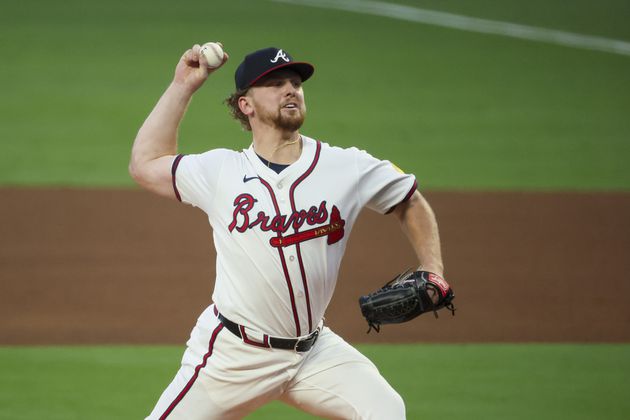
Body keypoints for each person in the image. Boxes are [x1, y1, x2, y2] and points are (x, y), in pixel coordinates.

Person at [130, 43, 445, 420]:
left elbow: (409, 199)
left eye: (295, 82)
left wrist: (433, 268)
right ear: (245, 105)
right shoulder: (220, 172)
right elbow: (145, 164)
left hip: (313, 353)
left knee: (386, 410)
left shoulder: (346, 166)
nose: (290, 89)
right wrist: (183, 85)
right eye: (275, 83)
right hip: (233, 355)